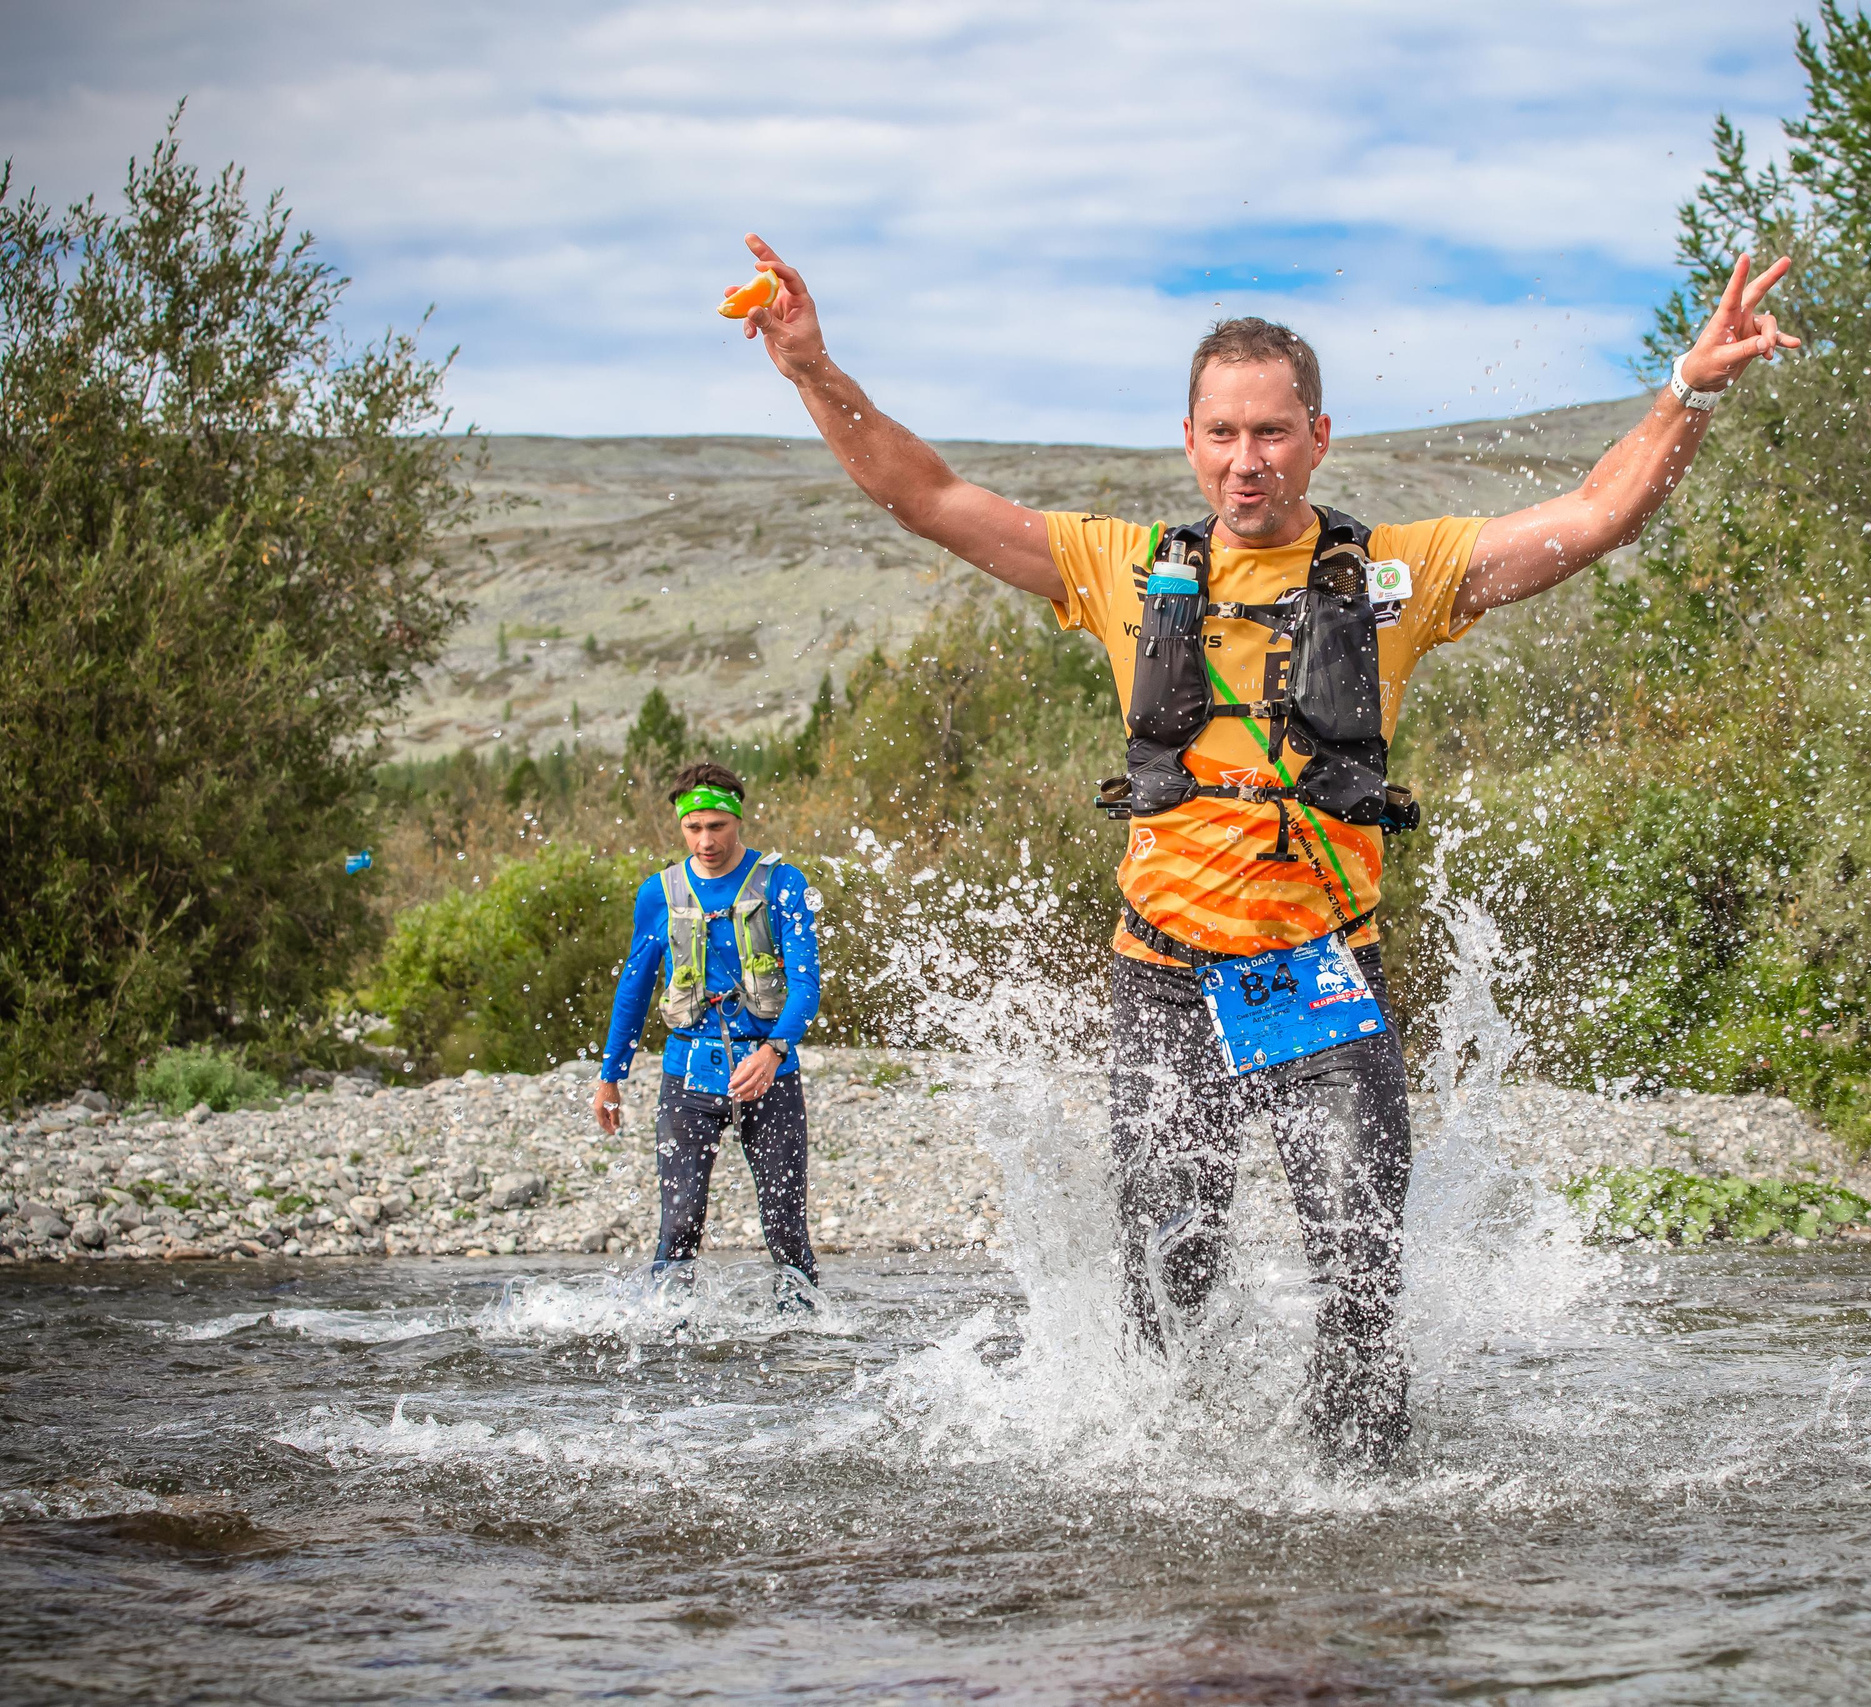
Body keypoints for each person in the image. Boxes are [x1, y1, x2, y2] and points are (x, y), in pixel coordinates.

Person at [731, 231, 1794, 1462]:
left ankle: (1361, 1507)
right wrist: (812, 369)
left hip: (1320, 975)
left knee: (1360, 1272)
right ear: (1189, 441)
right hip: (1164, 978)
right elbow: (926, 497)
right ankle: (1179, 1498)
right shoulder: (1121, 569)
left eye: (1273, 432)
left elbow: (1598, 514)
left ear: (1318, 437)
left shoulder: (1397, 577)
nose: (1249, 460)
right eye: (1225, 434)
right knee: (1168, 1273)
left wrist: (1687, 388)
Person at [593, 760, 825, 1298]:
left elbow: (806, 985)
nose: (705, 841)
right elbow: (633, 989)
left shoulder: (783, 883)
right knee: (679, 1225)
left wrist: (773, 1051)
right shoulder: (658, 893)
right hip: (688, 1077)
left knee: (786, 1228)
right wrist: (610, 1076)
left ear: (738, 819)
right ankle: (668, 1329)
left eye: (716, 826)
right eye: (693, 827)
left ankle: (806, 1332)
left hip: (770, 1075)